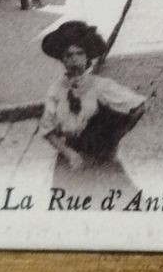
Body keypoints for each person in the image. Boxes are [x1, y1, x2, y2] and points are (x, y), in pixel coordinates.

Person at [38, 21, 149, 191]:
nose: (74, 59)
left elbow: (139, 106)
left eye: (79, 54)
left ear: (87, 57)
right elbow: (48, 130)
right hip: (69, 160)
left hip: (100, 158)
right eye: (68, 55)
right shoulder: (56, 90)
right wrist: (70, 154)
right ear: (62, 59)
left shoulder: (101, 86)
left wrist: (116, 136)